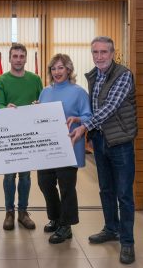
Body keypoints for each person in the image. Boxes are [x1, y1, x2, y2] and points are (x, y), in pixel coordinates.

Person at [69, 36, 138, 264]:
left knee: (124, 194)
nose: (99, 57)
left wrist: (84, 127)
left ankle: (127, 242)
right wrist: (82, 118)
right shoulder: (94, 76)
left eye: (104, 52)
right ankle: (111, 229)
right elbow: (95, 108)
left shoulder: (123, 75)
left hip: (120, 143)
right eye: (95, 52)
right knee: (106, 189)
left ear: (112, 53)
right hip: (100, 141)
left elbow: (110, 107)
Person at [37, 54, 91, 244]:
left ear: (69, 70)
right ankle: (56, 218)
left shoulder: (78, 92)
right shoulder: (45, 92)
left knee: (66, 187)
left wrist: (77, 120)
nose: (57, 72)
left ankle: (66, 226)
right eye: (53, 68)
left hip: (69, 146)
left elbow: (89, 117)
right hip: (47, 148)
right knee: (45, 183)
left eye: (61, 68)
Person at [0, 43, 43, 230]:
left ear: (26, 58)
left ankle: (23, 213)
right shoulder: (1, 81)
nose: (18, 59)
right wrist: (5, 108)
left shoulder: (35, 79)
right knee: (9, 176)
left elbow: (43, 102)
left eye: (22, 56)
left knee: (25, 176)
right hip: (8, 134)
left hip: (30, 134)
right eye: (15, 56)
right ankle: (9, 213)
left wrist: (39, 105)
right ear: (9, 58)